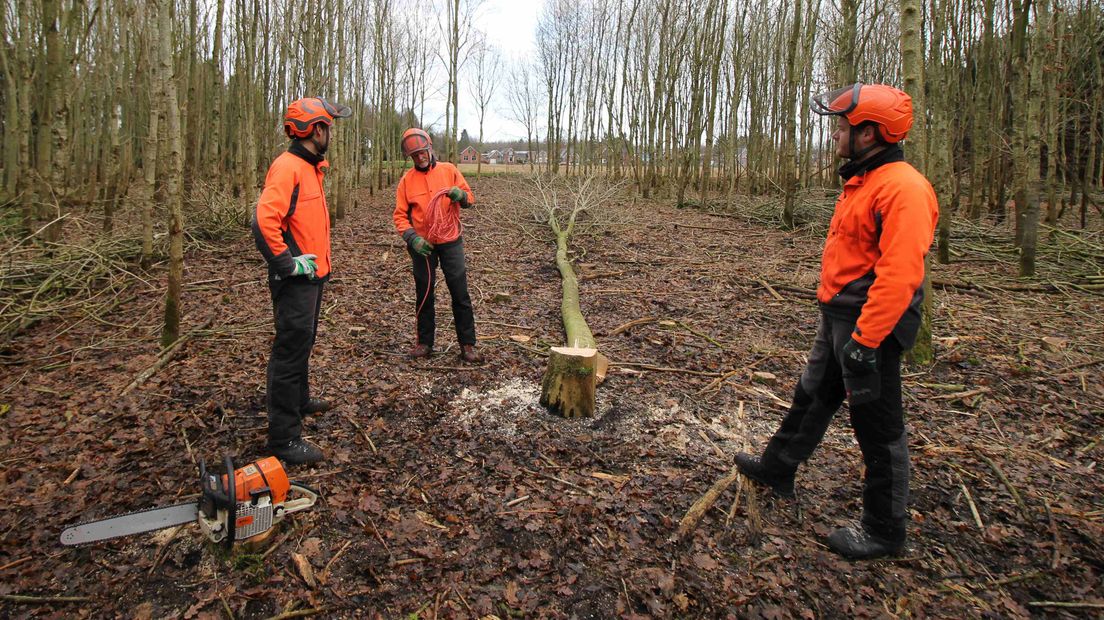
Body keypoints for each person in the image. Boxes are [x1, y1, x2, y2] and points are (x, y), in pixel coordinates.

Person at [734, 83, 939, 559]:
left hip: (873, 325)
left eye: (841, 128)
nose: (835, 137)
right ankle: (777, 467)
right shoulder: (864, 180)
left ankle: (885, 529)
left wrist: (866, 341)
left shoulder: (904, 188)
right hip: (840, 315)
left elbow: (901, 272)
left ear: (868, 134)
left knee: (878, 425)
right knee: (812, 394)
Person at [251, 97, 351, 465]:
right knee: (290, 351)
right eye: (328, 128)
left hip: (313, 275)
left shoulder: (310, 167)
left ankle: (301, 400)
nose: (331, 135)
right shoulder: (288, 167)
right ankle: (284, 437)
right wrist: (287, 264)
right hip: (295, 280)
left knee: (303, 341)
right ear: (315, 130)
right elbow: (264, 221)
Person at [393, 128, 482, 363]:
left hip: (451, 241)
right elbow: (400, 216)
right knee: (424, 292)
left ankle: (468, 344)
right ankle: (424, 342)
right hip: (423, 245)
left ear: (430, 149)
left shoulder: (449, 170)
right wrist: (413, 238)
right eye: (414, 156)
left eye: (422, 152)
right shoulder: (406, 181)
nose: (420, 157)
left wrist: (460, 196)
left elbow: (470, 198)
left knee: (459, 291)